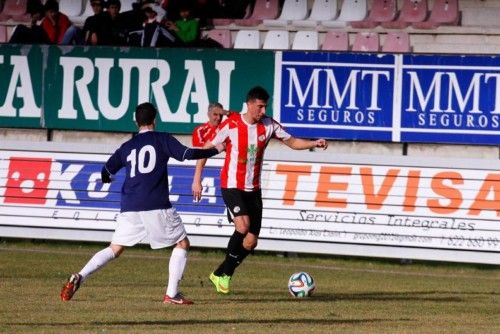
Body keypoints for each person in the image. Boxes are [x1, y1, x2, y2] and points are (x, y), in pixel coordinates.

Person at [60, 102, 225, 305]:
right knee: (182, 243)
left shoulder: (127, 146)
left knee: (114, 249)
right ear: (154, 120)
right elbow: (187, 154)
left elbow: (106, 171)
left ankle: (80, 276)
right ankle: (172, 294)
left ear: (136, 122)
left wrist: (106, 179)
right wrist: (216, 148)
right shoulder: (162, 139)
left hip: (130, 204)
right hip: (155, 203)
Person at [191, 86, 328, 294]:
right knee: (243, 225)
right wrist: (196, 179)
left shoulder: (269, 125)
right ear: (249, 104)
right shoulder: (231, 124)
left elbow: (292, 142)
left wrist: (314, 143)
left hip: (254, 189)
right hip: (232, 185)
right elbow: (206, 149)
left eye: (265, 107)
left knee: (251, 241)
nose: (263, 111)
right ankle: (225, 276)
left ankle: (219, 273)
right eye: (260, 106)